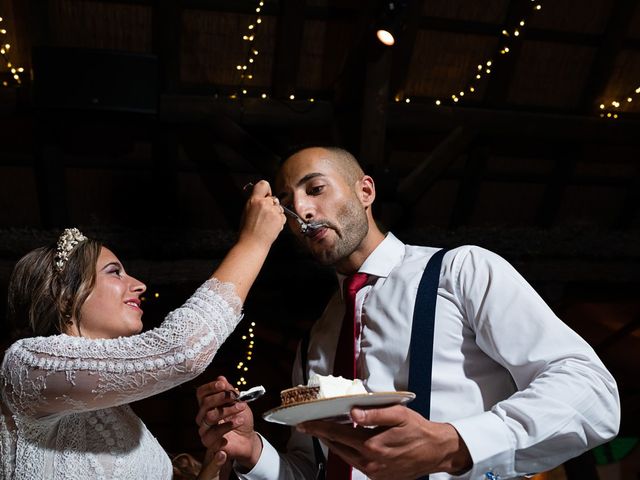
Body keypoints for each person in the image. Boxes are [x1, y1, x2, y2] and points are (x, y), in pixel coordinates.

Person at [195, 147, 621, 480]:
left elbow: (592, 393)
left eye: (316, 189)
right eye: (288, 203)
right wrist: (254, 453)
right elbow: (319, 470)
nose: (301, 210)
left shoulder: (460, 271)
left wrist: (456, 443)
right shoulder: (314, 343)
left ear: (365, 191)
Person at [0, 180, 286, 480]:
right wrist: (253, 242)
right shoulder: (26, 365)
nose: (139, 285)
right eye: (115, 272)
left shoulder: (120, 414)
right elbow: (182, 350)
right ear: (65, 295)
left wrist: (213, 468)